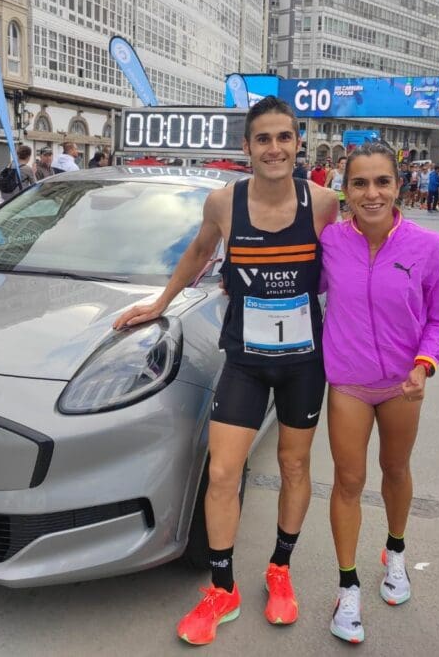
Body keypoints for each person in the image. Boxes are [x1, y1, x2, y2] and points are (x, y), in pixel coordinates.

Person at [112, 96, 339, 646]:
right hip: (245, 360)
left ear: (298, 144)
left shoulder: (323, 202)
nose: (274, 148)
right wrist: (160, 303)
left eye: (284, 137)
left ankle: (280, 569)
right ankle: (222, 588)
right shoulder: (223, 202)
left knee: (294, 467)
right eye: (263, 139)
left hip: (303, 363)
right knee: (221, 473)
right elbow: (197, 253)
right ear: (247, 147)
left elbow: (348, 265)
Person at [320, 143, 439, 644]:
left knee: (395, 470)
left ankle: (395, 552)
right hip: (349, 383)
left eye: (382, 182)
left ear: (399, 186)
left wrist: (424, 364)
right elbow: (295, 284)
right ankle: (347, 587)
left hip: (402, 384)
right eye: (360, 183)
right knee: (348, 481)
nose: (371, 193)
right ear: (346, 189)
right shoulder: (331, 242)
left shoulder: (427, 246)